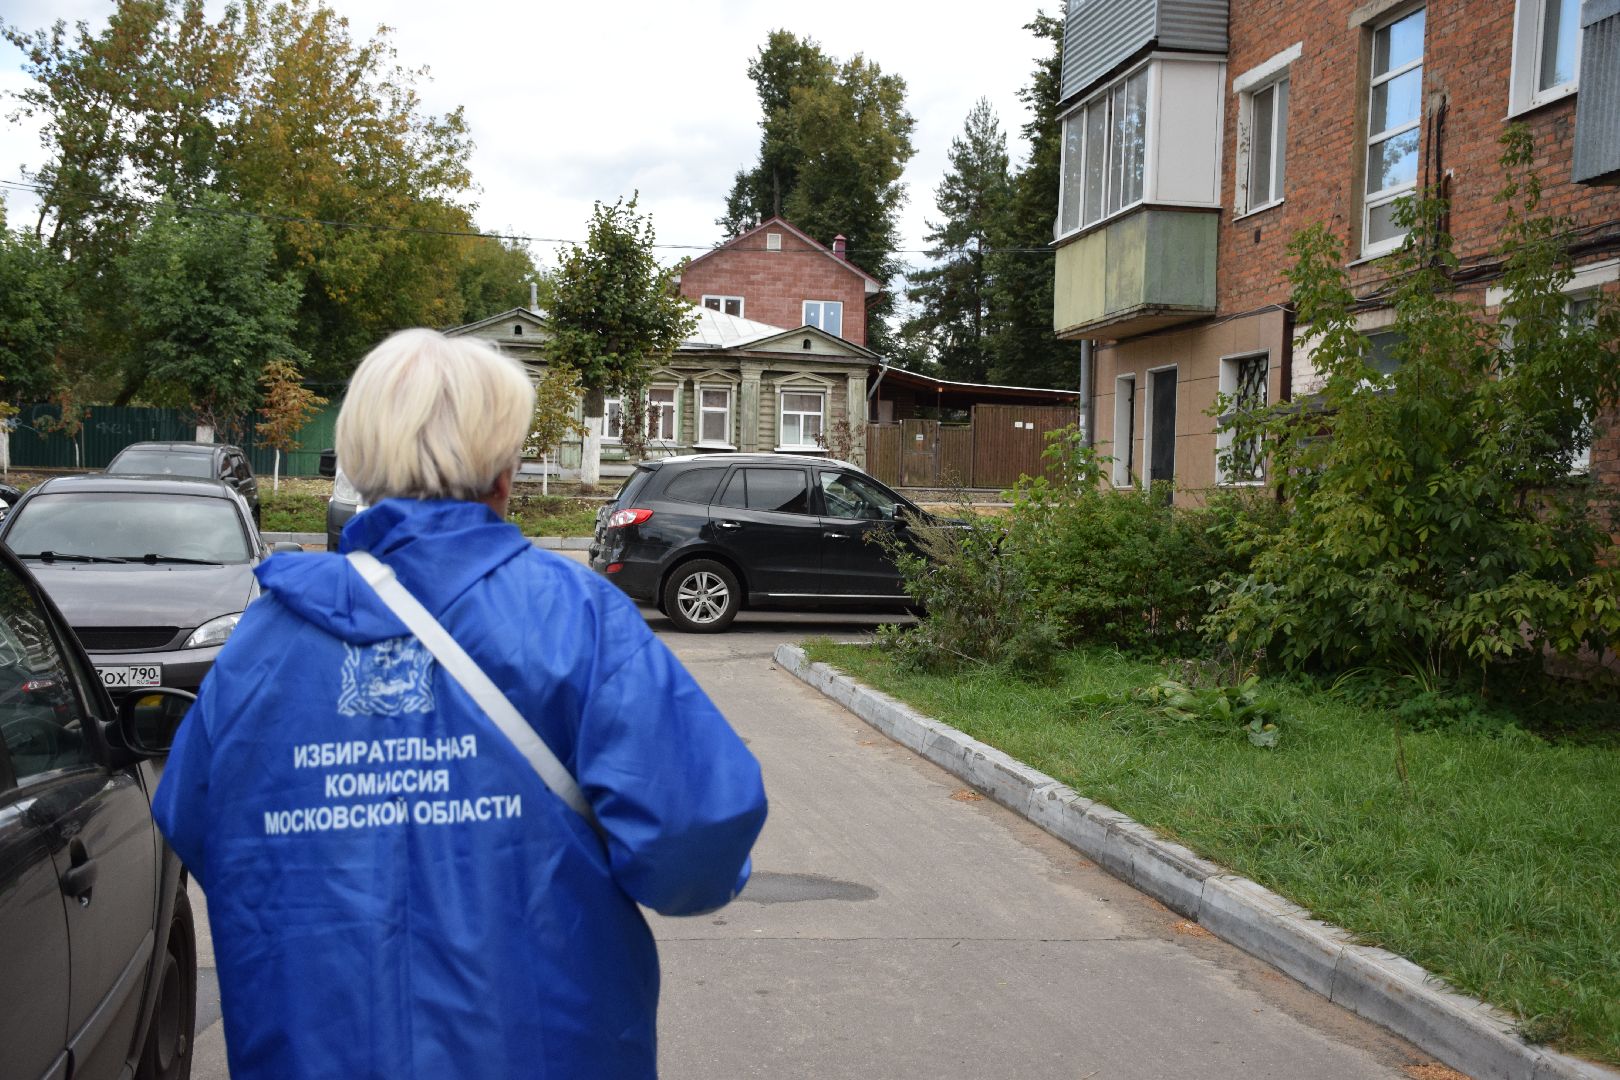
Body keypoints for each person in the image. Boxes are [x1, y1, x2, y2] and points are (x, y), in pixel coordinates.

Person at [152, 328, 768, 1079]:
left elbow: (198, 822)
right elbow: (694, 835)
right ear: (504, 471)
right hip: (545, 1046)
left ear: (358, 464)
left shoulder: (264, 641)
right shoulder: (574, 618)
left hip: (317, 1047)